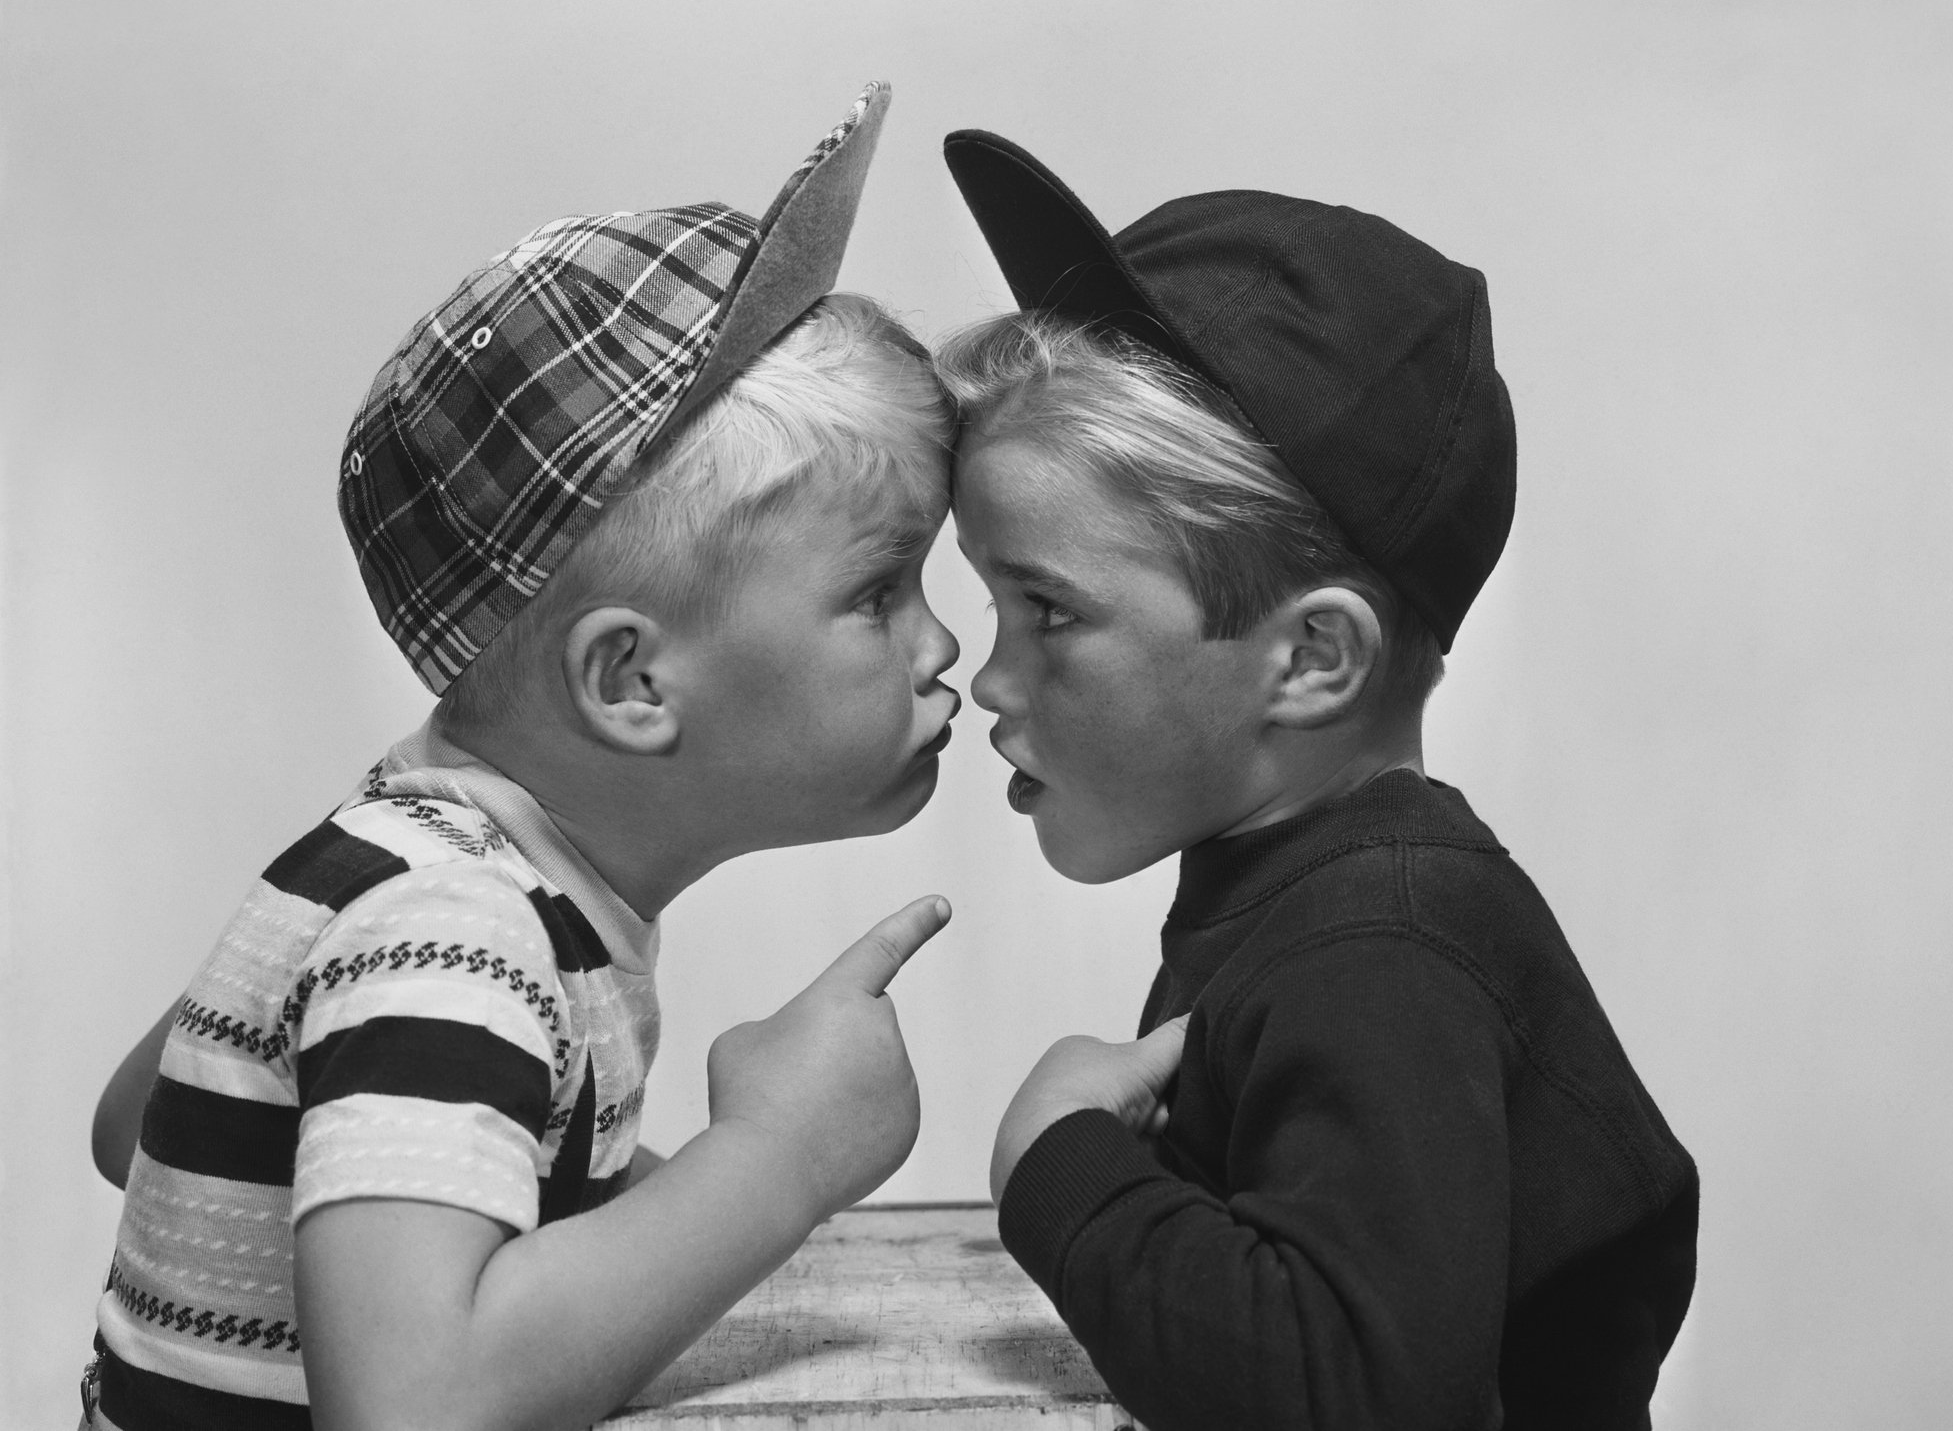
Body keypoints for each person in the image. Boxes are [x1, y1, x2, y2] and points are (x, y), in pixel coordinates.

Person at [82, 84, 966, 1431]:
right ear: (630, 680)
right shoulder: (454, 922)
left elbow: (136, 1125)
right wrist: (777, 1156)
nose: (941, 642)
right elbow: (415, 1405)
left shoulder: (395, 850)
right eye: (879, 589)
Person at [938, 129, 1699, 1431]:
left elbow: (1355, 1395)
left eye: (1049, 613)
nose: (986, 679)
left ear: (1310, 657)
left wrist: (1058, 1168)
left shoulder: (1376, 951)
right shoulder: (1306, 890)